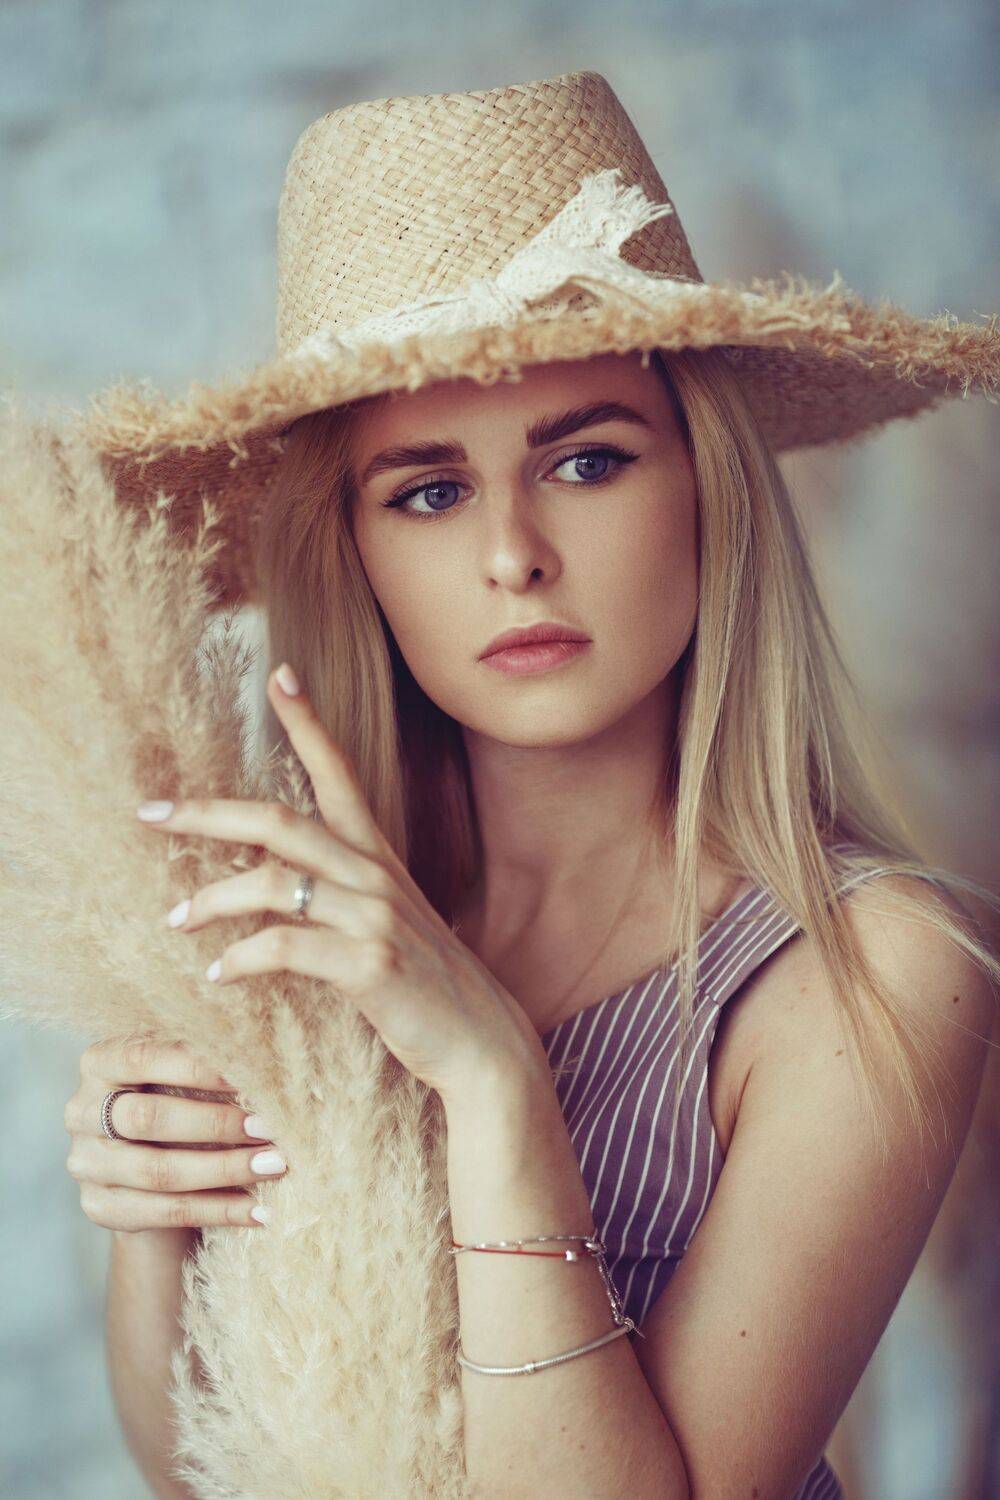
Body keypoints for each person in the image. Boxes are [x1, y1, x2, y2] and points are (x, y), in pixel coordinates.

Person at [59, 69, 998, 1499]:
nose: (512, 554)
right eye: (429, 492)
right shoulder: (308, 937)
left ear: (707, 486)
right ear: (356, 553)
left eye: (588, 460)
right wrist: (152, 1226)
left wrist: (494, 1082)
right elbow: (199, 1470)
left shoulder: (880, 968)